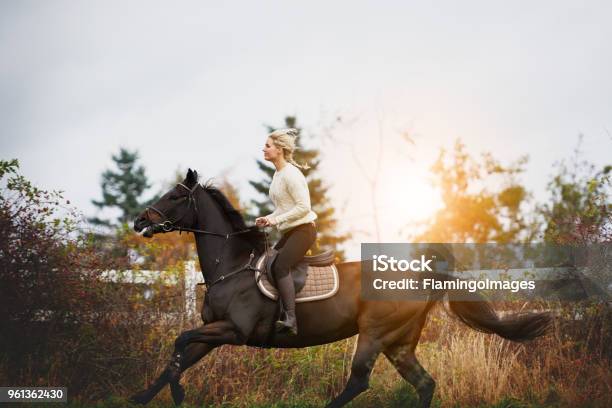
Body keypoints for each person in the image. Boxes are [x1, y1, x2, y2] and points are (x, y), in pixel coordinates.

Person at [255, 128, 317, 336]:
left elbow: (303, 208)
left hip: (304, 230)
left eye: (267, 145)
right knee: (268, 261)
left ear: (279, 150)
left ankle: (291, 318)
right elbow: (284, 207)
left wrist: (275, 220)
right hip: (291, 231)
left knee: (280, 267)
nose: (263, 149)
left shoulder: (291, 174)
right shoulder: (278, 174)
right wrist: (268, 218)